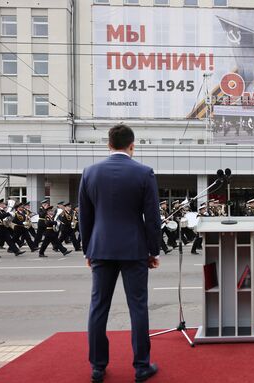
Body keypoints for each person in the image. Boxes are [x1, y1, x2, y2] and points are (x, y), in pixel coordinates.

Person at [79, 124, 161, 383]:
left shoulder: (90, 172)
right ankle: (141, 366)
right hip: (134, 248)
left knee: (98, 307)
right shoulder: (144, 173)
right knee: (138, 307)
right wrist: (153, 249)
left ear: (108, 144)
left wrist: (88, 250)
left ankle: (97, 367)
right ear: (132, 145)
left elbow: (85, 216)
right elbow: (153, 217)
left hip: (101, 248)